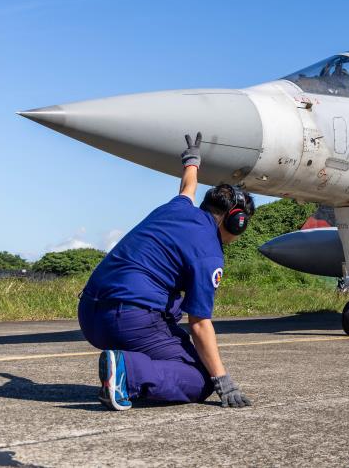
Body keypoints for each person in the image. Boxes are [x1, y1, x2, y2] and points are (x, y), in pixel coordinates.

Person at [77, 132, 256, 410]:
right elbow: (199, 324)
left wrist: (192, 162)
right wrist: (222, 381)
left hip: (90, 315)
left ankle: (131, 364)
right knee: (199, 378)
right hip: (128, 320)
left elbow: (187, 188)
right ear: (237, 221)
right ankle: (128, 372)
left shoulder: (177, 207)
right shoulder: (209, 253)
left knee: (171, 311)